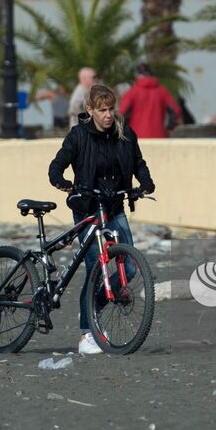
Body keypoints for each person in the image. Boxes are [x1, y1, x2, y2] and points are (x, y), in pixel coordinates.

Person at [48, 83, 155, 355]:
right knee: (95, 266)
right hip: (86, 208)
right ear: (90, 110)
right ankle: (87, 333)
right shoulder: (78, 136)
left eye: (111, 109)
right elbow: (56, 166)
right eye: (102, 110)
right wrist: (62, 182)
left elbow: (138, 163)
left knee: (129, 267)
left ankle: (94, 307)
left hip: (114, 206)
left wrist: (145, 182)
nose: (108, 115)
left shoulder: (124, 133)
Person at [119, 62, 180, 139]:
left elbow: (121, 114)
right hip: (159, 136)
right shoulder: (162, 91)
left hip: (136, 137)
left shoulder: (132, 92)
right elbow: (175, 112)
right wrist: (169, 128)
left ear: (136, 75)